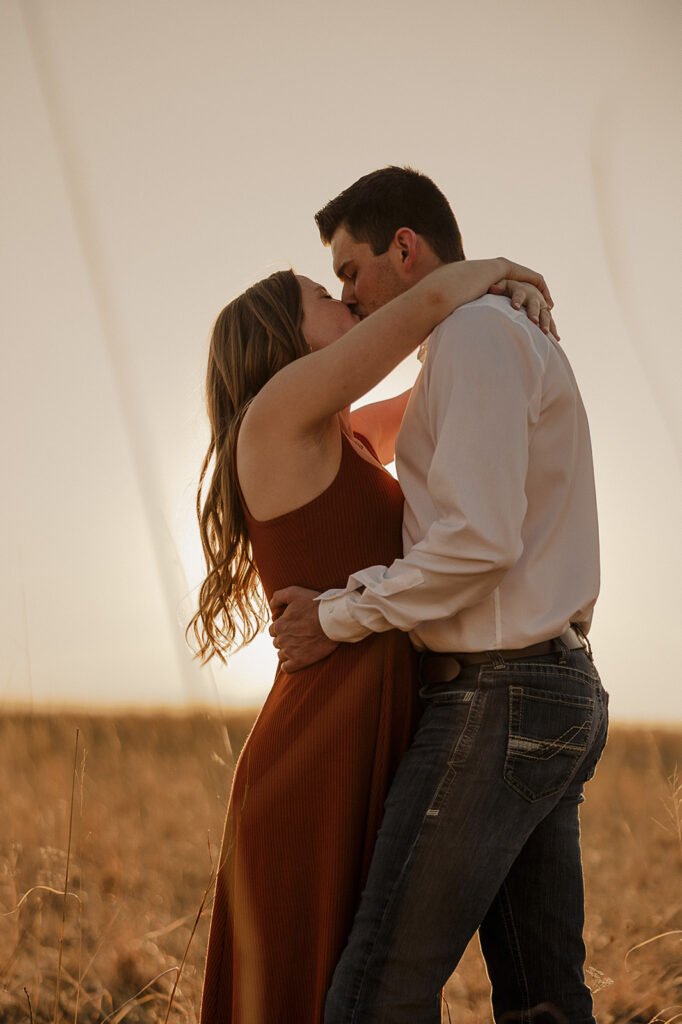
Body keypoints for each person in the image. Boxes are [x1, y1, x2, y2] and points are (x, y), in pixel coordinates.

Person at [271, 166, 609, 1024]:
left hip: (500, 695)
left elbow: (478, 540)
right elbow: (367, 438)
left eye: (349, 271)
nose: (349, 297)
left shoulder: (476, 341)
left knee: (376, 996)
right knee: (544, 1004)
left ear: (405, 249)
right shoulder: (476, 343)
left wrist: (335, 616)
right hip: (543, 685)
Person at [189, 253, 551, 1022]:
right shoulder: (277, 414)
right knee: (311, 988)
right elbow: (410, 321)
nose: (344, 298)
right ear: (284, 336)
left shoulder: (338, 436)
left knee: (358, 982)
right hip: (316, 746)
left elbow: (448, 384)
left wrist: (508, 303)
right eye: (323, 295)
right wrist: (500, 266)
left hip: (370, 730)